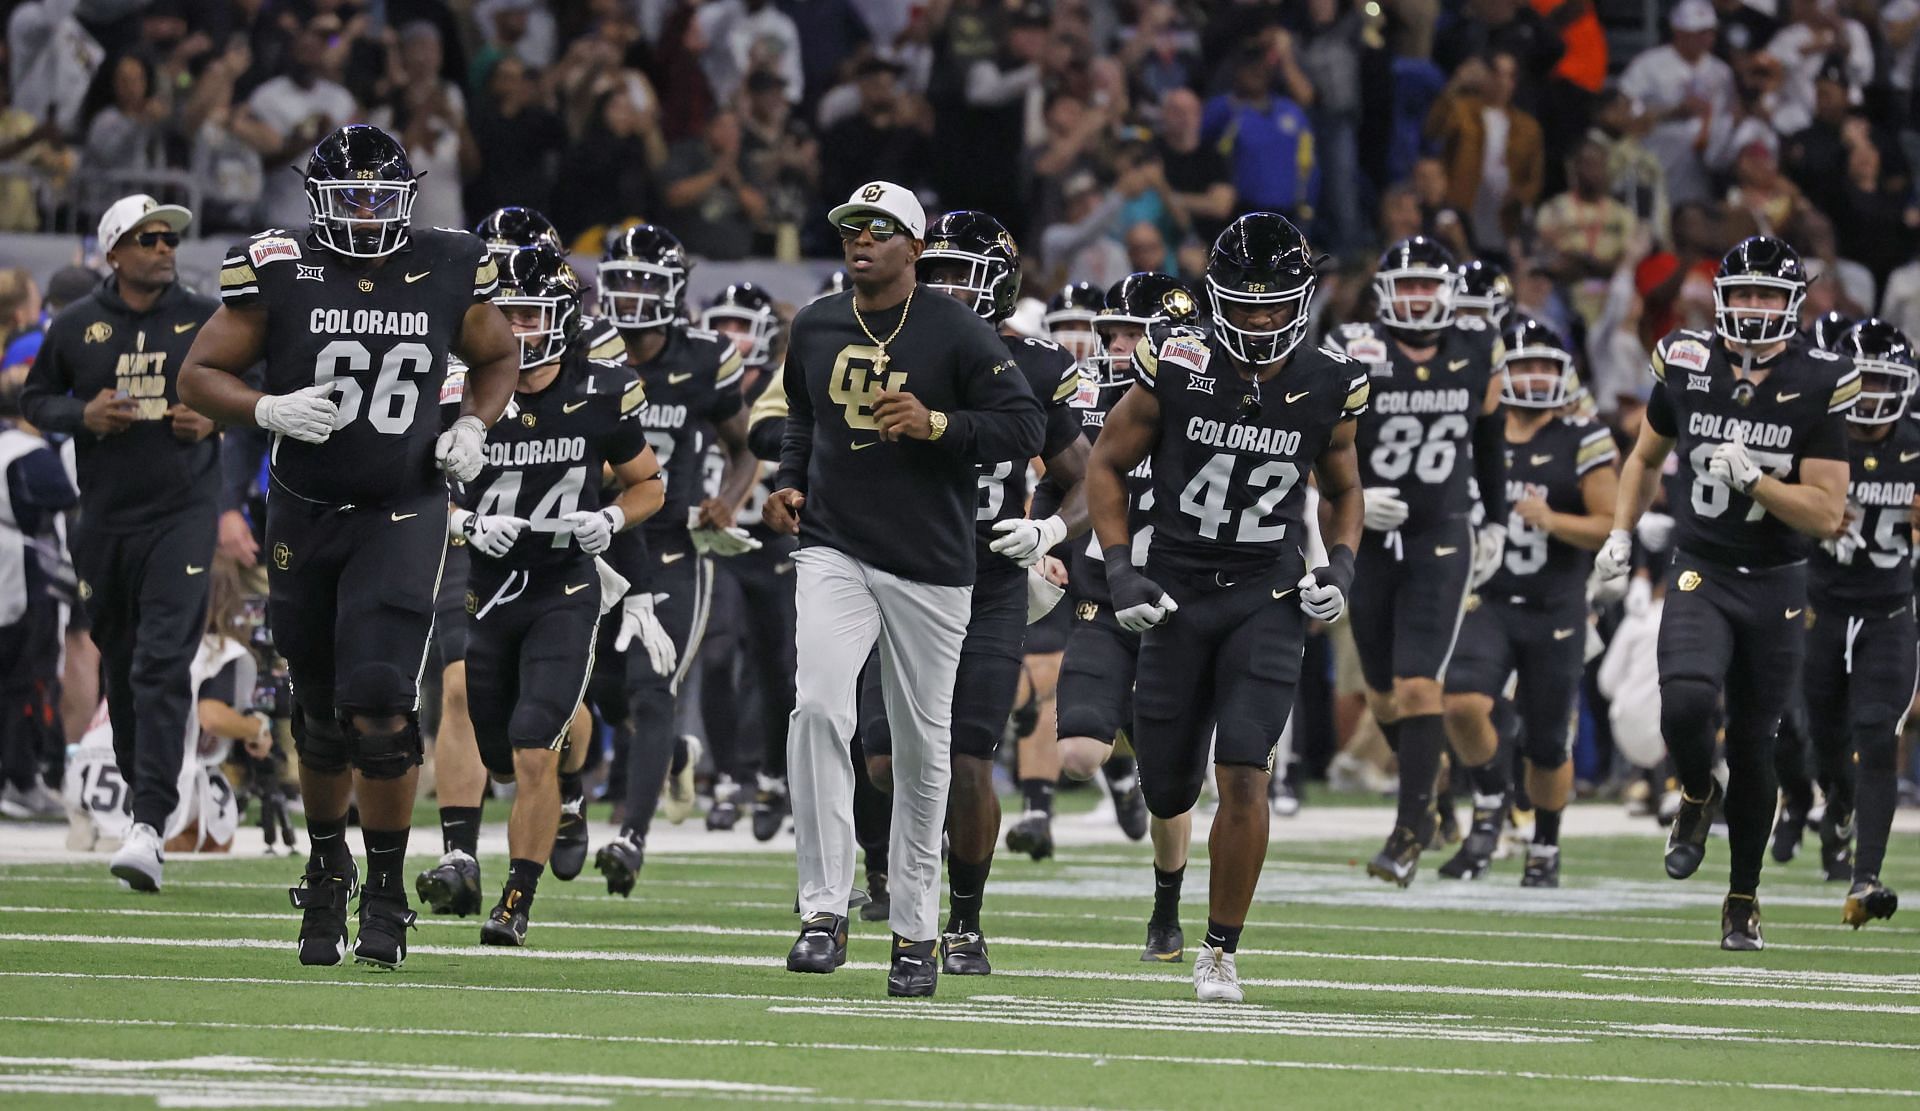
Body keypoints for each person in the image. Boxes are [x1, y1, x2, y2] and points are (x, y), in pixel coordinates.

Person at [178, 125, 520, 970]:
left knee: (381, 704)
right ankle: (326, 863)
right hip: (303, 509)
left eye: (380, 194)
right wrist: (264, 410)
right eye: (349, 195)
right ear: (317, 198)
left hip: (404, 506)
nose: (366, 212)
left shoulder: (449, 260)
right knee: (320, 712)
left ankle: (388, 886)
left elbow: (500, 353)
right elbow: (196, 376)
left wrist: (476, 424)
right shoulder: (277, 261)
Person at [769, 181, 1042, 998]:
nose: (862, 240)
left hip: (930, 563)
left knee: (927, 750)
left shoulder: (957, 329)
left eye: (882, 230)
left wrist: (938, 426)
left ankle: (917, 929)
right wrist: (789, 482)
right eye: (853, 226)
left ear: (914, 249)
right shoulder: (816, 322)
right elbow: (805, 418)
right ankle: (823, 908)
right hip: (834, 548)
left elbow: (1023, 426)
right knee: (819, 705)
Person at [1087, 212, 1366, 1002]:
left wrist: (1339, 564)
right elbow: (1106, 464)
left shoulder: (1331, 379)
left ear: (1303, 299)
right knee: (1168, 789)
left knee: (1244, 768)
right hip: (1174, 590)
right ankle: (1171, 884)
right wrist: (1120, 571)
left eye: (1274, 304)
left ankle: (1220, 948)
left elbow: (1344, 489)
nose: (1258, 319)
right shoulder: (1175, 360)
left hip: (1265, 594)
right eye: (1241, 305)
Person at [1593, 235, 1853, 951]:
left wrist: (1760, 485)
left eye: (1770, 294)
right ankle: (1695, 792)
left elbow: (1828, 514)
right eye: (1744, 293)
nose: (1755, 306)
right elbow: (1645, 455)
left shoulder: (1820, 378)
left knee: (1754, 740)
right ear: (1722, 298)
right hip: (1700, 565)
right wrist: (1621, 529)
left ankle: (1742, 898)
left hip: (1775, 578)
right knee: (1683, 699)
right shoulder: (1687, 360)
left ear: (1793, 303)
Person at [853, 209, 1087, 977]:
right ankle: (884, 874)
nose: (949, 286)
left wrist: (1048, 531)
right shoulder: (884, 344)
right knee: (885, 760)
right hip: (899, 567)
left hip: (986, 580)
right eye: (939, 269)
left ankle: (964, 919)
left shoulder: (1040, 364)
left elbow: (1084, 478)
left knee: (967, 762)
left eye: (964, 272)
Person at [444, 247, 663, 945]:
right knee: (500, 754)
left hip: (564, 587)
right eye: (506, 312)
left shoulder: (601, 389)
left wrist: (609, 517)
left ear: (564, 318)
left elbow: (648, 483)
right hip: (486, 589)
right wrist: (466, 521)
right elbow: (415, 486)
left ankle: (515, 899)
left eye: (531, 312)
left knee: (531, 743)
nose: (516, 326)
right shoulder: (462, 388)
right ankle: (573, 778)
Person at [20, 193, 219, 892]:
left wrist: (214, 416)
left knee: (164, 660)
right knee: (126, 663)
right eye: (148, 238)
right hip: (103, 518)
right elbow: (35, 399)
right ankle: (144, 802)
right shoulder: (75, 326)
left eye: (169, 239)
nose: (164, 248)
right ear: (114, 251)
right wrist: (84, 413)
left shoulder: (204, 316)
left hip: (184, 510)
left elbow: (254, 386)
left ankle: (150, 822)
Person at [1326, 236, 1507, 885]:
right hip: (1373, 533)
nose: (1419, 298)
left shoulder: (1476, 347)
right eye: (1408, 286)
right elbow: (1321, 437)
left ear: (1450, 293)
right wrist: (1350, 497)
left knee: (1419, 685)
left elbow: (1489, 442)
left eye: (1430, 285)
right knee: (1382, 695)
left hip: (1441, 533)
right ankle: (1435, 792)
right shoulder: (1354, 346)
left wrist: (1496, 518)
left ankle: (1408, 829)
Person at [592, 224, 757, 896]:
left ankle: (632, 835)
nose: (631, 295)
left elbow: (745, 444)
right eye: (622, 280)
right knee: (601, 691)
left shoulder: (702, 355)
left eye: (644, 282)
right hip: (599, 539)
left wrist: (728, 497)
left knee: (651, 686)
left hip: (672, 543)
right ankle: (673, 754)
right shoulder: (588, 349)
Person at [1436, 318, 1618, 886]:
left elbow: (1610, 525)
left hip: (1555, 602)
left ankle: (1545, 844)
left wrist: (1553, 519)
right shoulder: (1475, 430)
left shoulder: (1582, 435)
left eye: (1545, 365)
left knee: (1545, 742)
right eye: (1524, 365)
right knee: (1461, 702)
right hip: (1488, 598)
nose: (1536, 376)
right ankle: (1491, 799)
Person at [1053, 271, 1198, 958]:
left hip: (1175, 610)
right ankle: (1120, 765)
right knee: (1079, 753)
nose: (1115, 343)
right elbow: (1049, 470)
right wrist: (1042, 536)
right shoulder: (1082, 396)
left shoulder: (1204, 403)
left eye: (1133, 332)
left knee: (1171, 791)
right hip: (1102, 600)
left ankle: (1166, 908)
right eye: (1111, 330)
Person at [1796, 319, 1917, 929]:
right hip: (1821, 604)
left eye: (1882, 381)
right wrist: (1811, 515)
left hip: (1890, 610)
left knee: (1876, 734)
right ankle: (1835, 805)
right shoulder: (1815, 436)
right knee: (1821, 738)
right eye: (1861, 379)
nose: (1870, 394)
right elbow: (1769, 514)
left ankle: (1865, 875)